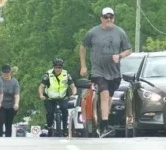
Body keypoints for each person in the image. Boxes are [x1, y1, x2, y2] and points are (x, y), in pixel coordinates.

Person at [79, 7, 132, 137]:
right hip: (98, 70)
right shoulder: (93, 32)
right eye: (106, 17)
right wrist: (83, 66)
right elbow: (82, 46)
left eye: (111, 17)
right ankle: (104, 125)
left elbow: (128, 50)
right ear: (101, 18)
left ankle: (103, 120)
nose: (108, 19)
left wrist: (119, 56)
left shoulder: (120, 32)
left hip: (114, 72)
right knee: (105, 93)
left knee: (108, 97)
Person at [39, 58, 76, 137]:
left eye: (60, 67)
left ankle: (65, 129)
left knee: (65, 110)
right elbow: (41, 87)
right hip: (50, 98)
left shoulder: (66, 74)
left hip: (62, 97)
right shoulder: (47, 75)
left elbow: (73, 86)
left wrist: (73, 94)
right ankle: (49, 128)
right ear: (54, 67)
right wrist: (41, 95)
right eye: (56, 67)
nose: (58, 69)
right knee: (50, 113)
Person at [0, 65, 20, 137]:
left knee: (8, 123)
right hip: (1, 105)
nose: (6, 75)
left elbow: (17, 94)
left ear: (10, 73)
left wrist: (16, 103)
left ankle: (8, 139)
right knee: (0, 121)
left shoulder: (14, 82)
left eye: (7, 73)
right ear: (1, 73)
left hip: (11, 106)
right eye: (4, 73)